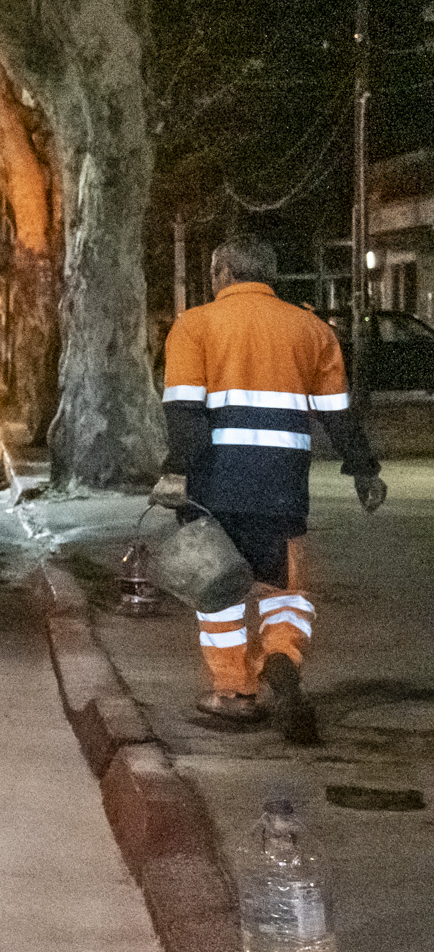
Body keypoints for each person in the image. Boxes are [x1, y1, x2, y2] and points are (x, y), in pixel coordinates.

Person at [155, 235, 387, 741]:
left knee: (219, 591)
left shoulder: (194, 326)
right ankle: (282, 653)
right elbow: (339, 417)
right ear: (269, 276)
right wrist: (365, 470)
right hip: (281, 490)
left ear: (221, 275)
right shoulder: (312, 329)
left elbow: (184, 414)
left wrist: (176, 472)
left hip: (214, 488)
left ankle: (234, 691)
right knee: (285, 586)